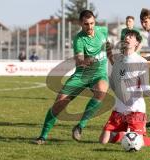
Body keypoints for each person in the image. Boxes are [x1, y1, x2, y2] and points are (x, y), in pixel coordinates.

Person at [35, 10, 111, 144]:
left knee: (102, 91)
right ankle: (43, 136)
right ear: (81, 23)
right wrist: (86, 61)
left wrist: (111, 58)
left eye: (92, 23)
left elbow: (107, 45)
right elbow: (79, 59)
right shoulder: (78, 39)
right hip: (81, 76)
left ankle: (80, 126)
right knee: (59, 103)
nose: (90, 27)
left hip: (99, 74)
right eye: (86, 24)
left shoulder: (103, 31)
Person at [99, 30, 150, 146]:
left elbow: (144, 84)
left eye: (131, 37)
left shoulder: (141, 61)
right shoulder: (118, 60)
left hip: (136, 109)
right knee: (103, 140)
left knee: (139, 143)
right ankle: (124, 135)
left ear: (137, 43)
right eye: (126, 36)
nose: (127, 38)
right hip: (119, 109)